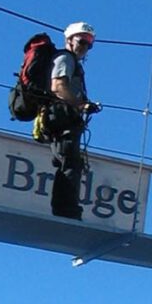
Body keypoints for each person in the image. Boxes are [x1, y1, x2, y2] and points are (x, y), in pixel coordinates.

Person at [36, 20, 101, 218]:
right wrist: (81, 105)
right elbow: (58, 86)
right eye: (82, 41)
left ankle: (66, 208)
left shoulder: (72, 62)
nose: (86, 47)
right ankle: (66, 210)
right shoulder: (65, 58)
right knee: (69, 162)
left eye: (89, 43)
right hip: (60, 118)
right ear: (69, 40)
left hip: (65, 118)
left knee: (71, 162)